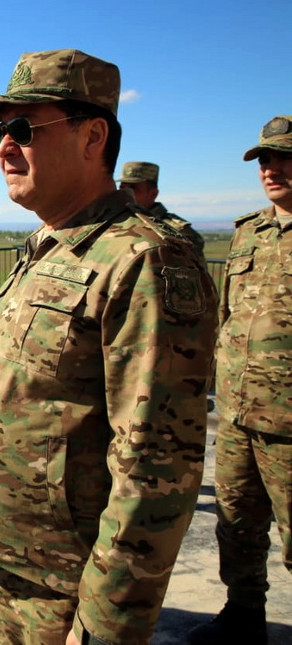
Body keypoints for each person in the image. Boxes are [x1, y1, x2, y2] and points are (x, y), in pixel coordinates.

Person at [0, 49, 218, 645]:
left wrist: (107, 621)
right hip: (16, 558)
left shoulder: (144, 258)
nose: (5, 148)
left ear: (93, 137)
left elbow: (157, 466)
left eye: (23, 129)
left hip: (71, 583)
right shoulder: (53, 246)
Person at [186, 116, 292, 645]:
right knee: (237, 523)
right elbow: (228, 315)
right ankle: (244, 615)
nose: (272, 169)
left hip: (291, 422)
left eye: (284, 158)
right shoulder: (249, 231)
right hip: (236, 411)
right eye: (265, 160)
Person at [118, 161, 205, 253]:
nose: (124, 193)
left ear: (153, 193)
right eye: (121, 188)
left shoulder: (176, 231)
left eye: (132, 188)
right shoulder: (117, 221)